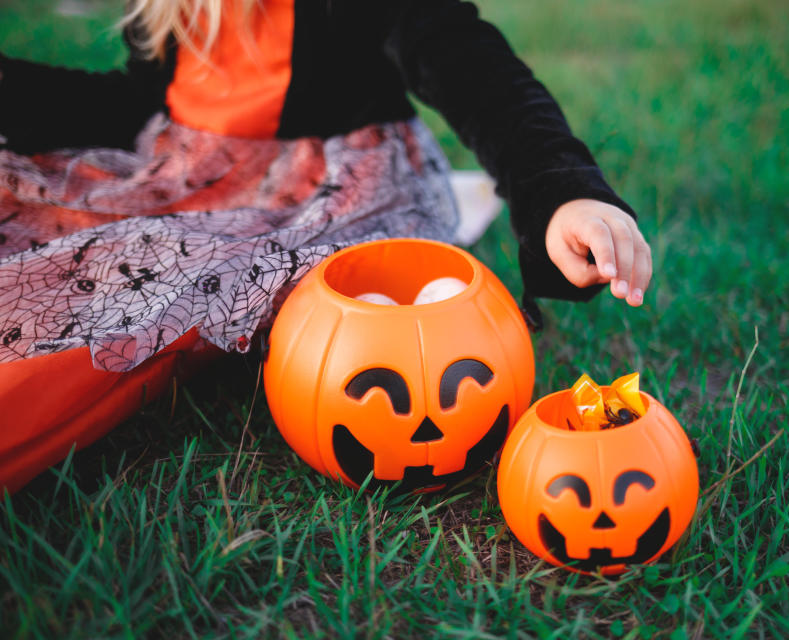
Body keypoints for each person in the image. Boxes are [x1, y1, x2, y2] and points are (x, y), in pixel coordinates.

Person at [0, 0, 651, 493]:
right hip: (193, 173)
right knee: (37, 212)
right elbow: (138, 104)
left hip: (332, 188)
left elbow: (470, 66)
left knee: (150, 266)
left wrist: (560, 190)